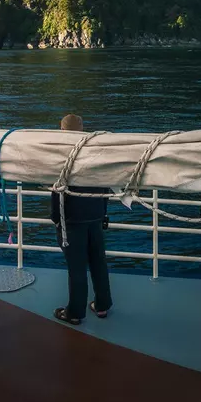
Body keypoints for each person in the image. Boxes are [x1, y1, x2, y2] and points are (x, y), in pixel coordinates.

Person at [50, 114, 113, 325]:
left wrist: (57, 220)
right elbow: (104, 186)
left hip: (72, 219)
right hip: (95, 216)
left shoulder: (62, 156)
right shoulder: (96, 153)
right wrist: (103, 213)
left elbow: (56, 190)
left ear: (62, 131)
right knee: (98, 263)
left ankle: (75, 312)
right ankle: (102, 305)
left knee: (76, 268)